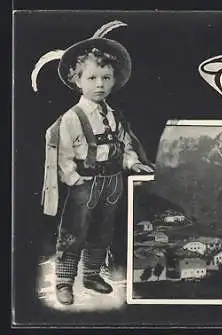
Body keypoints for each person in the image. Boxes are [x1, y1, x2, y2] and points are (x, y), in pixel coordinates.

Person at [42, 36, 154, 305]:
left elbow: (125, 144)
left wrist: (132, 162)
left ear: (114, 80)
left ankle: (92, 275)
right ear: (77, 80)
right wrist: (73, 177)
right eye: (92, 78)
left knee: (103, 230)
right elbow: (63, 154)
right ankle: (64, 281)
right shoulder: (71, 118)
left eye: (106, 77)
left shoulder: (115, 115)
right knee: (74, 231)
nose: (100, 84)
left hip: (113, 182)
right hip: (85, 182)